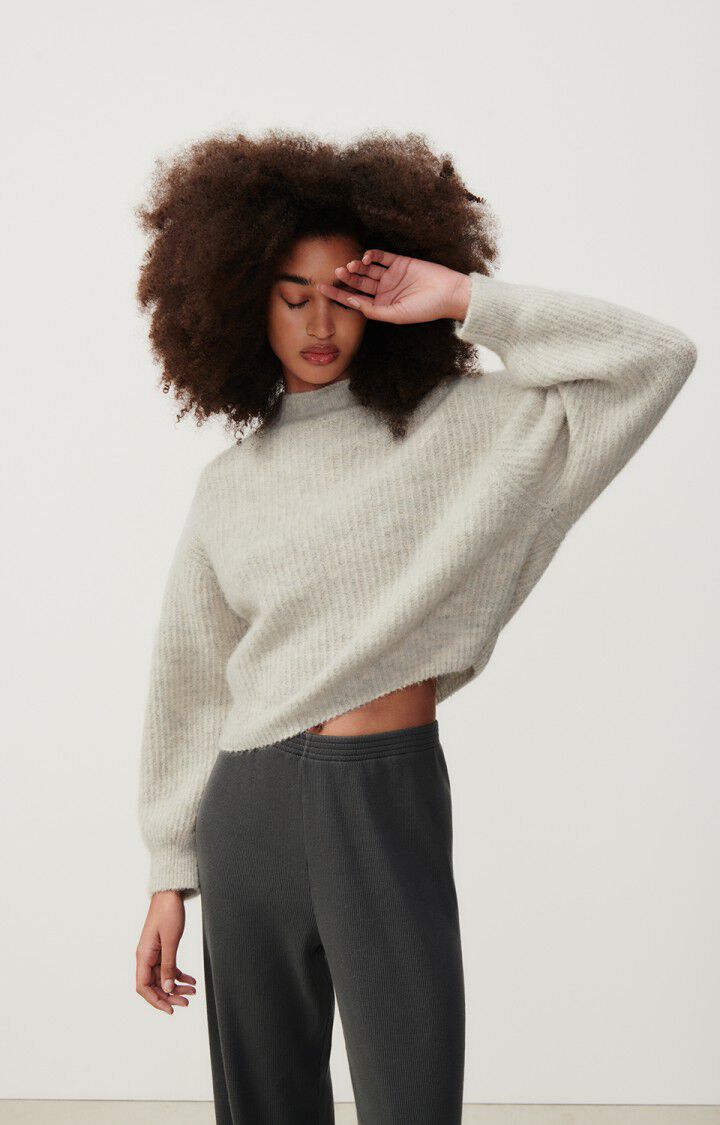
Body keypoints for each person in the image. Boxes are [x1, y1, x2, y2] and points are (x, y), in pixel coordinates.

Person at [133, 130, 698, 1125]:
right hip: (248, 810)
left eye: (341, 293)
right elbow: (193, 678)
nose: (320, 323)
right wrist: (168, 874)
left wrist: (463, 299)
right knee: (262, 1106)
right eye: (291, 295)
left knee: (412, 1099)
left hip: (379, 789)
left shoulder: (470, 425)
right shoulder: (229, 485)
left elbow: (654, 359)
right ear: (241, 302)